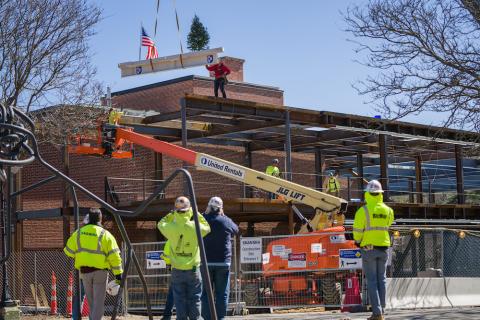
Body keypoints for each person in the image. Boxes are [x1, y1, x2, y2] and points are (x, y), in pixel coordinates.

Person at [64, 208, 123, 320]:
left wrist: (81, 255)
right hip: (100, 273)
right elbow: (115, 257)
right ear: (100, 219)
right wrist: (118, 274)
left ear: (89, 218)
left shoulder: (78, 233)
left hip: (84, 272)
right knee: (98, 303)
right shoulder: (106, 235)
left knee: (91, 302)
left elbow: (68, 251)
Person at [158, 196, 211, 320]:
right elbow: (207, 227)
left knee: (179, 299)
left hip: (176, 269)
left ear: (176, 210)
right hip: (193, 269)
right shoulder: (195, 227)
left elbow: (160, 223)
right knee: (195, 298)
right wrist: (195, 212)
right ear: (189, 210)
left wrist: (171, 215)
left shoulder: (170, 227)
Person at [353, 180, 394, 320]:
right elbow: (387, 225)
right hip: (384, 248)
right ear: (380, 194)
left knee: (372, 280)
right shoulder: (388, 210)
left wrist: (358, 242)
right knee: (382, 279)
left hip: (368, 249)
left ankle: (377, 313)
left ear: (367, 194)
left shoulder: (363, 211)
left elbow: (357, 232)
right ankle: (382, 309)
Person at [201, 197, 239, 320]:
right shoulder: (225, 221)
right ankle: (220, 317)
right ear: (221, 208)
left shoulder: (202, 219)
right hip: (223, 262)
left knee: (206, 293)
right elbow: (236, 230)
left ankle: (207, 317)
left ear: (208, 206)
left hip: (205, 262)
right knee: (222, 293)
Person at [161, 240, 175, 320]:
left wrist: (169, 264)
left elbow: (166, 255)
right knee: (192, 295)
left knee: (172, 294)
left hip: (176, 270)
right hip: (192, 270)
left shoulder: (171, 239)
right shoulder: (191, 234)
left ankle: (167, 316)